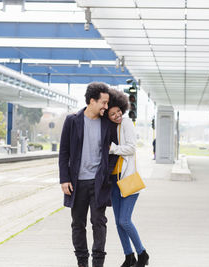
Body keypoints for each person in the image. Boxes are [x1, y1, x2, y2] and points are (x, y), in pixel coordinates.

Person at [59, 82, 117, 267]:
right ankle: (82, 263)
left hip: (99, 183)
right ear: (92, 101)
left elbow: (114, 152)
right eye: (104, 102)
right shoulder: (72, 120)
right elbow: (64, 152)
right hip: (77, 183)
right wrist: (64, 179)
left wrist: (106, 174)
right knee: (78, 224)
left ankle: (98, 264)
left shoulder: (107, 124)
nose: (106, 107)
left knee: (99, 223)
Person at [106, 89, 149, 267]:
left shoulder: (126, 123)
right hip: (113, 181)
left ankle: (142, 253)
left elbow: (131, 148)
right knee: (118, 222)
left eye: (118, 112)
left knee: (124, 220)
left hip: (128, 180)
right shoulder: (110, 127)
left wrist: (113, 148)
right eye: (111, 113)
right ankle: (128, 256)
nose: (116, 115)